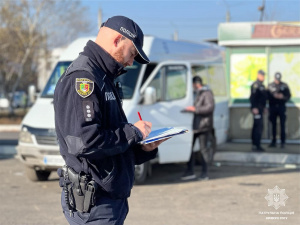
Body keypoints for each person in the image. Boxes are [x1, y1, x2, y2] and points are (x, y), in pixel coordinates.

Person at [54, 16, 165, 225]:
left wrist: (142, 149)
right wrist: (134, 132)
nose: (131, 62)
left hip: (107, 199)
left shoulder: (103, 77)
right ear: (116, 40)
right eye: (132, 53)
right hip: (96, 203)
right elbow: (84, 142)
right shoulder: (84, 78)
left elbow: (108, 141)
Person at [181, 76, 215, 181]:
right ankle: (190, 171)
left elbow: (210, 107)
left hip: (203, 126)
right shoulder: (198, 93)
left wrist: (195, 109)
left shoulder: (206, 93)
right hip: (195, 126)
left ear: (196, 83)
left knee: (203, 149)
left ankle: (205, 173)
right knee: (189, 148)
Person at [268, 72, 291, 148]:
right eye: (276, 79)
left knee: (282, 125)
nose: (277, 81)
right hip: (273, 107)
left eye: (278, 79)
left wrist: (282, 97)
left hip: (281, 107)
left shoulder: (284, 85)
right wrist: (273, 96)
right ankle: (273, 141)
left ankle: (282, 142)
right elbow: (266, 96)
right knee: (273, 125)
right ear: (274, 78)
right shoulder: (270, 86)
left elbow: (288, 95)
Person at [250, 69, 267, 152]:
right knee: (258, 127)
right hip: (256, 109)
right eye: (262, 75)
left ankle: (257, 144)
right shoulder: (255, 85)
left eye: (264, 75)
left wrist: (264, 107)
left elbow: (263, 98)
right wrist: (254, 107)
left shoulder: (262, 86)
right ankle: (256, 144)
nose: (263, 77)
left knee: (259, 126)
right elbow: (253, 97)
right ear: (258, 75)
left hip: (260, 109)